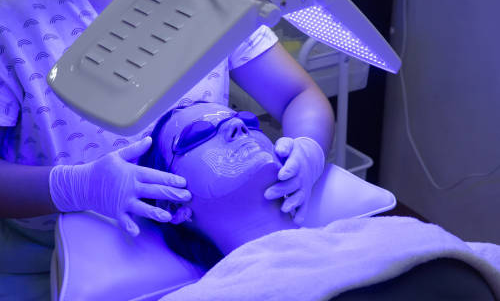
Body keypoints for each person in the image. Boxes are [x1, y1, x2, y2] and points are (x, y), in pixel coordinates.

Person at [0, 0, 334, 299]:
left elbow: (298, 95)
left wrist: (309, 147)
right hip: (42, 260)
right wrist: (76, 188)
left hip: (195, 249)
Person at [140, 101, 500, 301]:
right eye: (199, 133)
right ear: (174, 204)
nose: (239, 127)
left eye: (246, 120)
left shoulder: (391, 233)